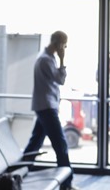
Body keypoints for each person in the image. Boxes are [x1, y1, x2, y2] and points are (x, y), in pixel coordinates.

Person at [22, 30, 74, 190]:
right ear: (58, 43)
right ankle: (66, 184)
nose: (64, 48)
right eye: (64, 44)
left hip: (44, 106)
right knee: (61, 144)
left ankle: (18, 173)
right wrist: (63, 59)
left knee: (34, 144)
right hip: (46, 107)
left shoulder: (46, 57)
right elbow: (60, 80)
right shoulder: (46, 60)